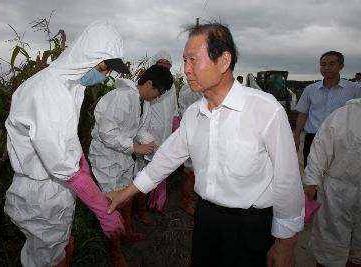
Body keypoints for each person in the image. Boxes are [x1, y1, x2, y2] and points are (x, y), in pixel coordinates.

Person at [106, 23, 304, 267]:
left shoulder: (265, 110)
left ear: (223, 61)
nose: (186, 69)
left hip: (250, 225)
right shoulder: (193, 114)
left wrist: (286, 243)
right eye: (184, 60)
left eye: (193, 60)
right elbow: (165, 160)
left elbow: (287, 179)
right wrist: (126, 193)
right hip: (206, 218)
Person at [4, 21, 129, 267]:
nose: (104, 76)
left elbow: (68, 141)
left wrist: (84, 171)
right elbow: (59, 160)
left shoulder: (70, 86)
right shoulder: (50, 91)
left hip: (57, 188)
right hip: (41, 192)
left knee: (57, 246)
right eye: (103, 68)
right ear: (87, 56)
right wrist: (101, 208)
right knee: (46, 258)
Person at [88, 64, 173, 266]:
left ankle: (126, 233)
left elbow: (140, 130)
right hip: (106, 159)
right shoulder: (122, 97)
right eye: (159, 92)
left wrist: (152, 145)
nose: (159, 97)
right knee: (113, 204)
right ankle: (115, 252)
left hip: (123, 158)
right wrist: (135, 148)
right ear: (149, 84)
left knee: (126, 197)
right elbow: (106, 133)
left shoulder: (145, 104)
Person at [302, 98, 361, 267]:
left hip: (340, 190)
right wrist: (312, 181)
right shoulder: (344, 115)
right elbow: (320, 149)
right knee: (331, 241)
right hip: (337, 191)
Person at [293, 51, 361, 169]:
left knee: (339, 175)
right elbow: (303, 114)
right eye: (323, 64)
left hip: (342, 140)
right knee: (311, 173)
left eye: (331, 64)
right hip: (313, 138)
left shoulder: (354, 89)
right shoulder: (310, 90)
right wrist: (296, 137)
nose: (326, 68)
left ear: (341, 66)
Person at [135, 50, 179, 223]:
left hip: (165, 134)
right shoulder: (148, 84)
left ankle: (157, 203)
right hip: (148, 134)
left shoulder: (171, 85)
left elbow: (174, 108)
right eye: (161, 64)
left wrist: (176, 128)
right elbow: (141, 112)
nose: (165, 68)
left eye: (167, 65)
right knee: (143, 172)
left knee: (161, 170)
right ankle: (142, 209)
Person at [177, 84, 202, 216]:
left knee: (189, 170)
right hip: (195, 133)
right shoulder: (197, 90)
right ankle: (185, 201)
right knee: (193, 171)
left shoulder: (185, 88)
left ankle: (189, 195)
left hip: (190, 130)